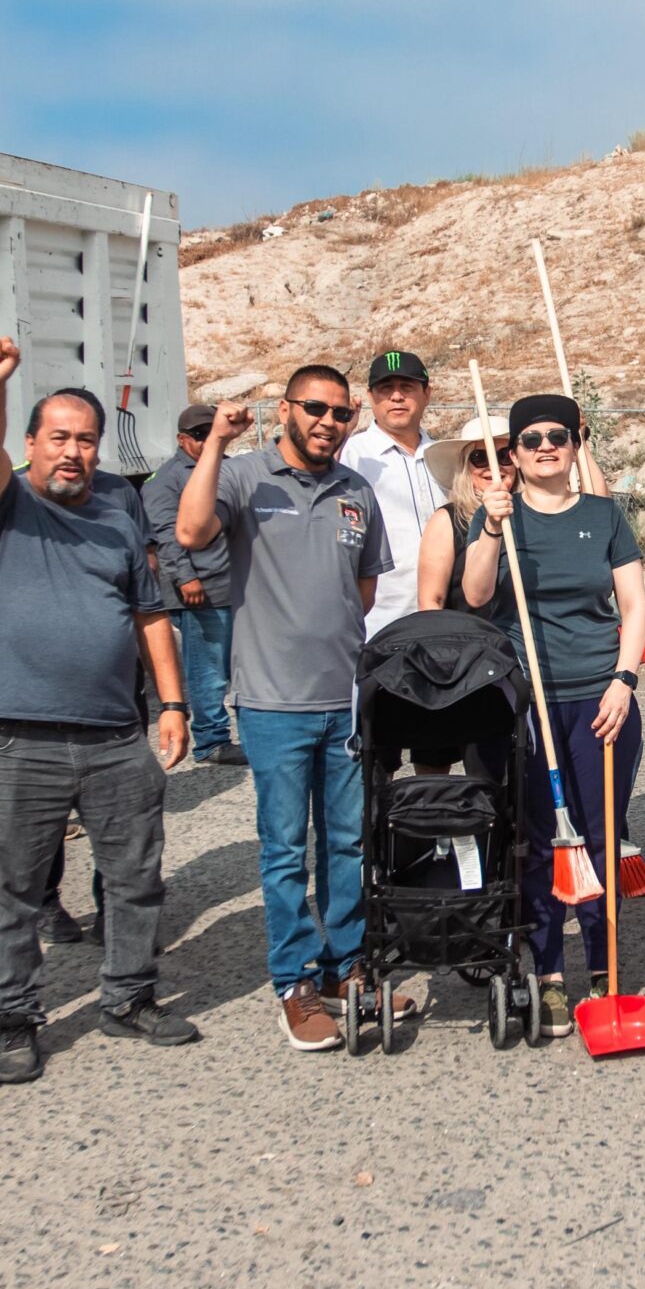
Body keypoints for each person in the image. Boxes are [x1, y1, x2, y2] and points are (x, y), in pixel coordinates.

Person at [0, 339, 200, 1083]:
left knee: (135, 878)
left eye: (86, 439)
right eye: (58, 438)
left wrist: (173, 702)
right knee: (15, 892)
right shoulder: (3, 503)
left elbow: (149, 614)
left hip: (113, 734)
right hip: (16, 737)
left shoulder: (117, 516)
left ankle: (127, 997)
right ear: (30, 443)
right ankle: (15, 1019)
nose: (72, 452)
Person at [174, 366, 395, 1052]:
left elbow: (360, 589)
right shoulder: (246, 478)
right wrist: (215, 441)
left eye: (340, 412)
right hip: (273, 703)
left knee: (346, 843)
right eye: (315, 409)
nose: (328, 421)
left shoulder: (357, 491)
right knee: (282, 851)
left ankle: (344, 969)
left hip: (342, 701)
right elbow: (189, 530)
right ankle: (294, 984)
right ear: (285, 410)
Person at [459, 393, 645, 1041]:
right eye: (531, 439)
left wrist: (624, 682)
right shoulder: (500, 519)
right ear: (512, 453)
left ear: (574, 445)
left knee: (598, 839)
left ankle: (603, 967)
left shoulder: (604, 516)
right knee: (540, 843)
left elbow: (635, 608)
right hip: (531, 705)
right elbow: (476, 596)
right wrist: (488, 527)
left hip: (602, 702)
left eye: (558, 437)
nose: (546, 447)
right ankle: (548, 972)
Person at [140, 404, 243, 764]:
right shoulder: (167, 480)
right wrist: (186, 578)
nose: (205, 440)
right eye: (198, 435)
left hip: (233, 587)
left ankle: (246, 734)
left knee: (239, 670)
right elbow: (167, 537)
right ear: (182, 439)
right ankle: (212, 741)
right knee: (208, 672)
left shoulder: (225, 467)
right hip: (201, 590)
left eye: (210, 431)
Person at [344, 349, 445, 641]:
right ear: (371, 397)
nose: (397, 397)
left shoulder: (446, 455)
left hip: (443, 614)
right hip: (378, 619)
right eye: (386, 389)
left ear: (427, 393)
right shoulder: (351, 456)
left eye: (407, 387)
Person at [415, 414, 511, 616]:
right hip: (471, 641)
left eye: (504, 456)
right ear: (466, 466)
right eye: (479, 457)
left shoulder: (531, 514)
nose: (494, 466)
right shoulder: (447, 520)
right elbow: (431, 600)